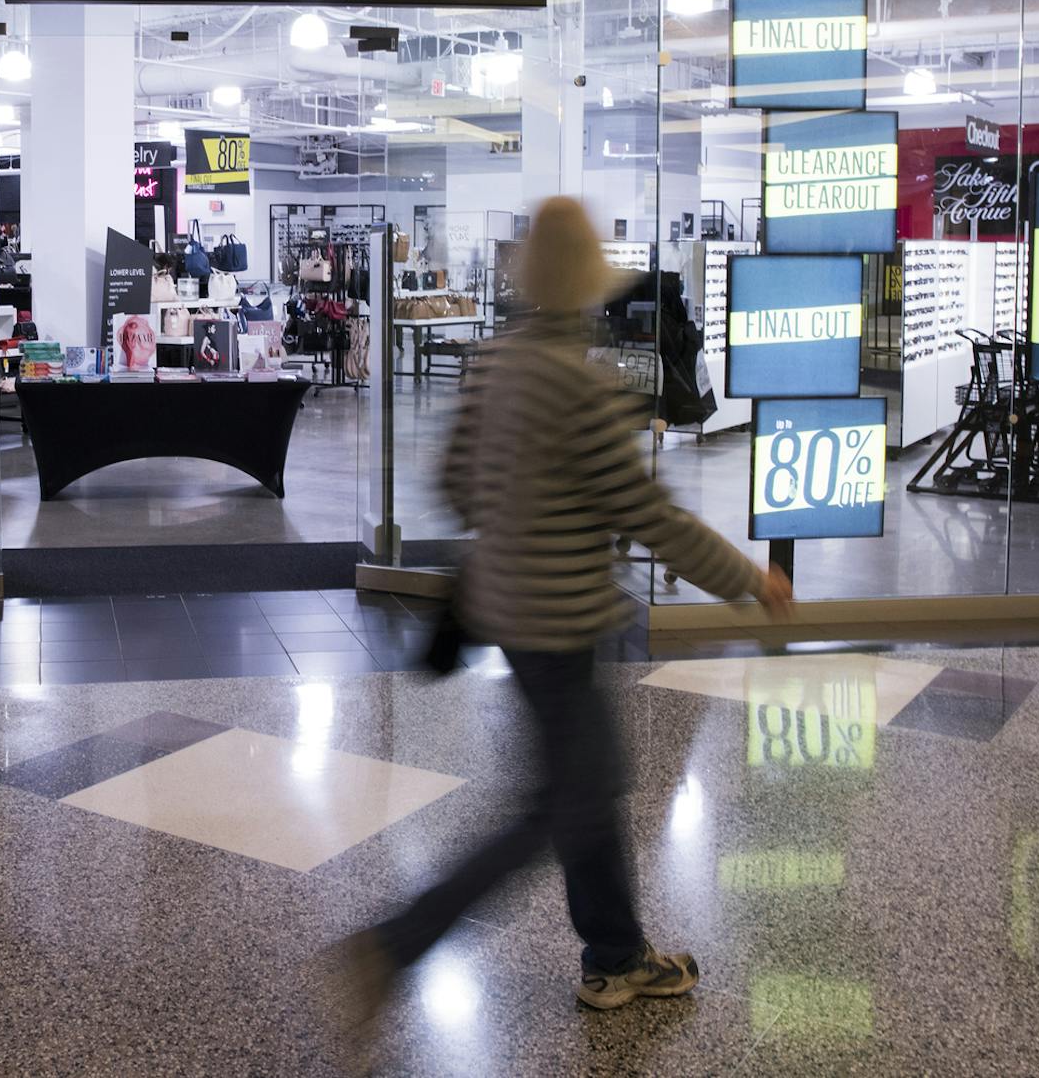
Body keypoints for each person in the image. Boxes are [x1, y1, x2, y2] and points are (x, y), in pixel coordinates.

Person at [332, 197, 793, 1035]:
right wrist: (748, 580)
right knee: (558, 803)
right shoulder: (582, 385)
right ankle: (396, 944)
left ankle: (615, 954)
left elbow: (456, 487)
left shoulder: (495, 364)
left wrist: (521, 512)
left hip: (506, 610)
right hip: (561, 619)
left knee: (589, 787)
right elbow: (651, 516)